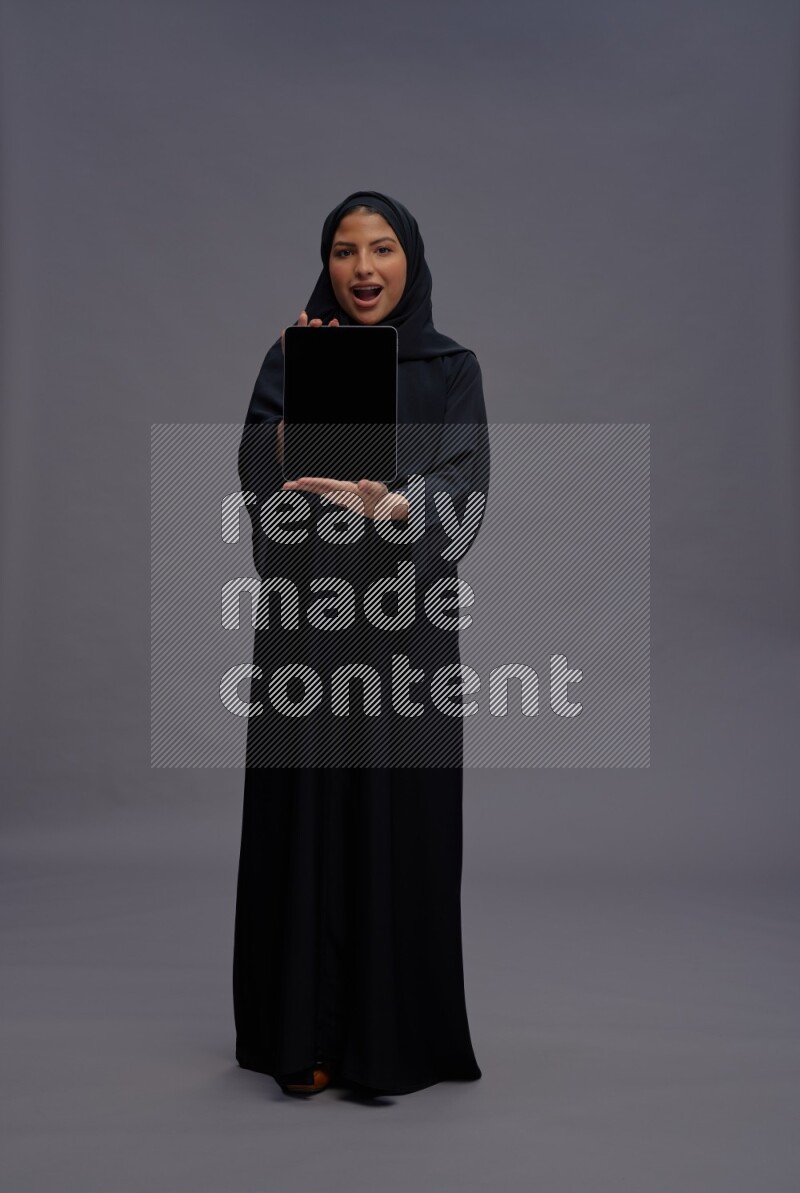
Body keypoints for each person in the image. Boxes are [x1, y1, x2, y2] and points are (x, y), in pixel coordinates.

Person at [233, 189, 490, 1097]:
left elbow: (467, 487)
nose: (364, 268)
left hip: (406, 638)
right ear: (327, 263)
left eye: (382, 249)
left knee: (398, 822)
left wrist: (389, 503)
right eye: (345, 251)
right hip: (309, 628)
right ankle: (299, 1037)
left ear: (410, 260)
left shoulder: (453, 368)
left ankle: (389, 1043)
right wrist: (298, 407)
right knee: (304, 817)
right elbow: (261, 480)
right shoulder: (286, 360)